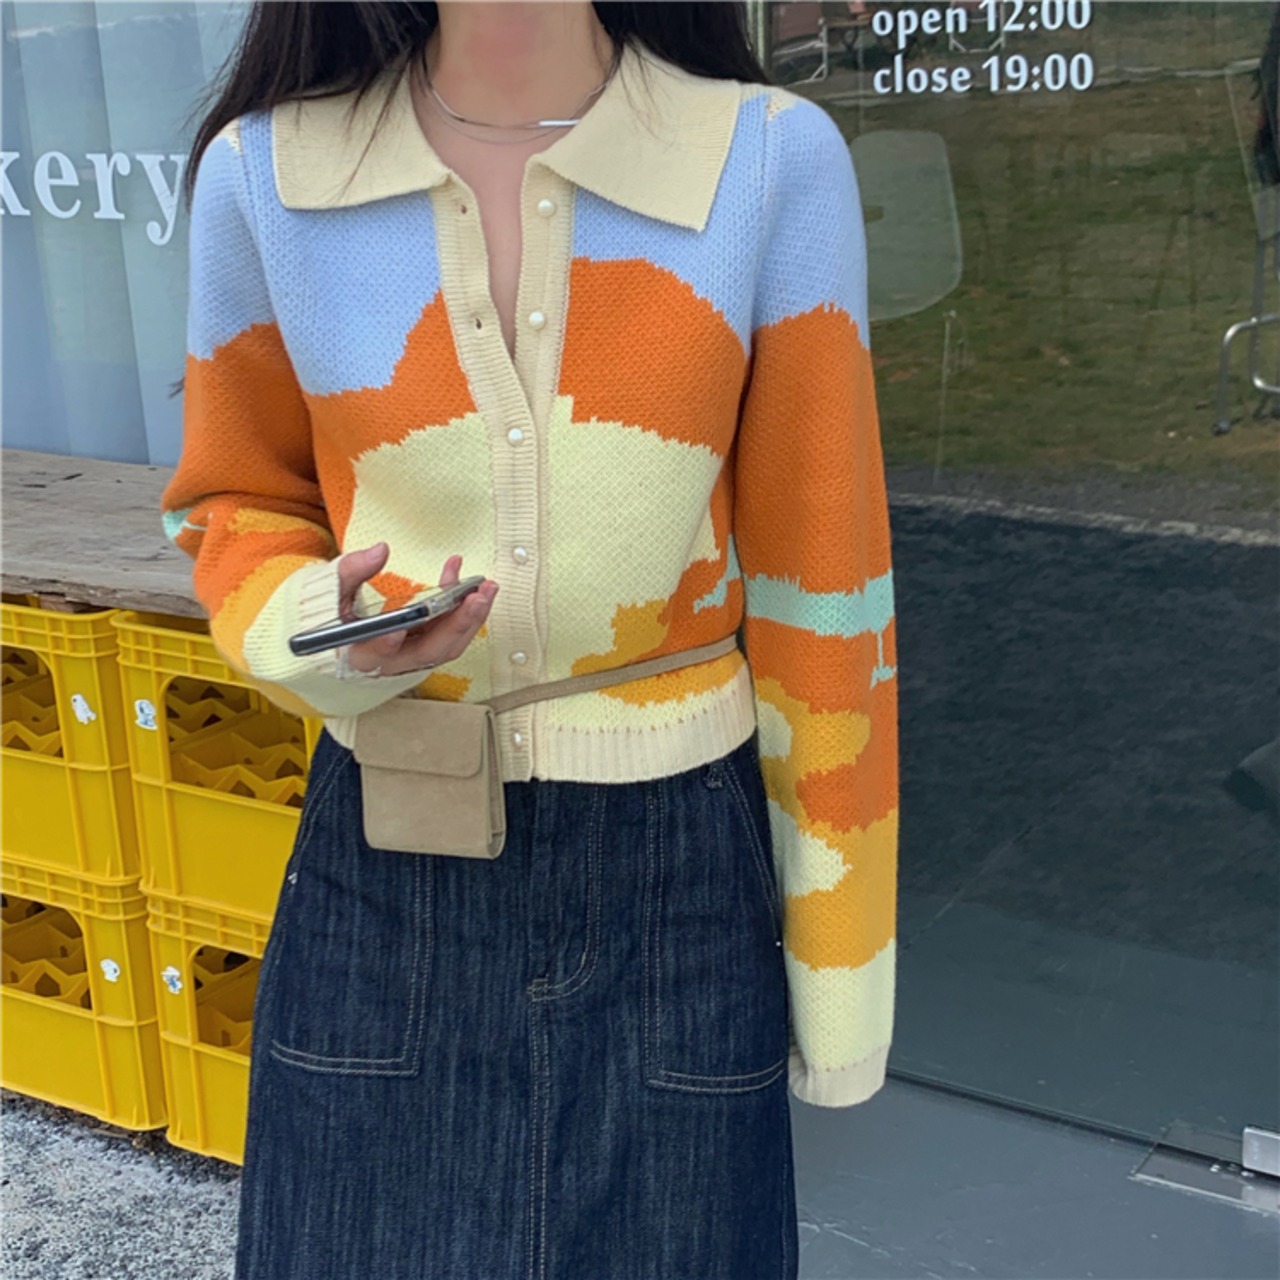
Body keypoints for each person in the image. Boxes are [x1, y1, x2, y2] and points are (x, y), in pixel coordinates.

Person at [162, 2, 899, 1277]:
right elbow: (233, 499)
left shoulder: (764, 162)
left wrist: (841, 973)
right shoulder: (268, 177)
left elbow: (822, 582)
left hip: (679, 864)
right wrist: (318, 628)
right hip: (385, 853)